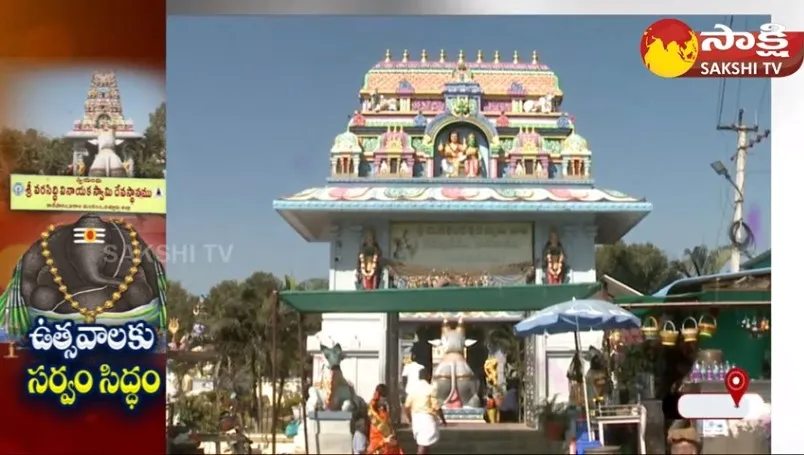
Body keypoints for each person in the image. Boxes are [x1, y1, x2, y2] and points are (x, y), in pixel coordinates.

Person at [404, 370, 446, 455]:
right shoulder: (430, 388)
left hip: (416, 418)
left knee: (425, 443)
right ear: (428, 376)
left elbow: (407, 406)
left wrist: (409, 419)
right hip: (427, 419)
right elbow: (436, 407)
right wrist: (443, 419)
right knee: (424, 444)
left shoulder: (413, 389)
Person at [366, 384, 403, 454]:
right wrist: (385, 439)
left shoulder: (383, 407)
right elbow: (378, 426)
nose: (385, 399)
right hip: (378, 438)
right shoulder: (372, 410)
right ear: (379, 396)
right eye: (384, 396)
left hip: (387, 439)